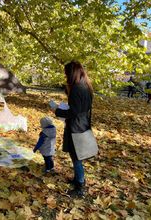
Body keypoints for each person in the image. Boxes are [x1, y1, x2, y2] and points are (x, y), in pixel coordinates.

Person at [51, 61, 93, 198]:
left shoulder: (76, 89)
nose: (65, 77)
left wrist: (57, 111)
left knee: (76, 157)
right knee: (76, 155)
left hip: (76, 126)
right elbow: (81, 108)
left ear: (71, 73)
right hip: (82, 124)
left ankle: (80, 185)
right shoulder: (86, 86)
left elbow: (73, 111)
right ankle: (77, 179)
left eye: (66, 74)